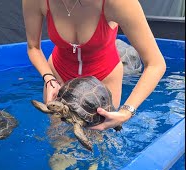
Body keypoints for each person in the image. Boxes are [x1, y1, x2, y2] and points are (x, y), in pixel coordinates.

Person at [22, 0, 166, 131]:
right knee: (58, 141)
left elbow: (155, 64)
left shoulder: (119, 2)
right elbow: (33, 48)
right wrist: (49, 79)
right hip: (58, 77)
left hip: (104, 81)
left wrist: (126, 112)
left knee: (97, 145)